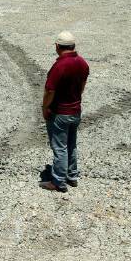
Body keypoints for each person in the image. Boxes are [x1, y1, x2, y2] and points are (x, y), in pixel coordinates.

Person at [40, 31, 89, 193]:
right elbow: (82, 86)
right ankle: (72, 176)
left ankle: (58, 181)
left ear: (57, 46)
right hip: (75, 111)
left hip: (60, 113)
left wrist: (45, 107)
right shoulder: (82, 63)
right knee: (71, 144)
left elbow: (49, 91)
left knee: (59, 147)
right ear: (73, 46)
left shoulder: (59, 66)